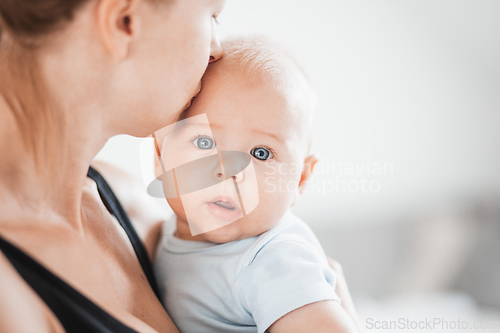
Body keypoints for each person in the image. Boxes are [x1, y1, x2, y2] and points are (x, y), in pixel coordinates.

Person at [0, 1, 360, 332]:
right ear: (124, 20)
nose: (217, 48)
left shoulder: (138, 208)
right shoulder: (11, 297)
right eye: (211, 15)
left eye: (262, 153)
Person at [152, 37, 362, 333]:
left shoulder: (274, 261)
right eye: (205, 142)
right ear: (161, 156)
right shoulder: (161, 232)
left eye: (260, 153)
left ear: (300, 180)